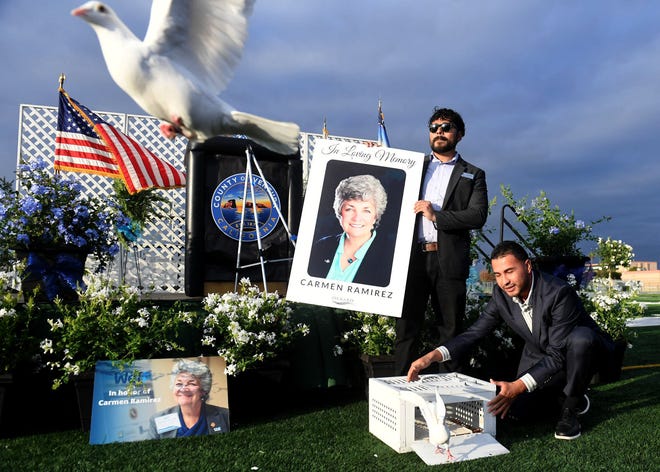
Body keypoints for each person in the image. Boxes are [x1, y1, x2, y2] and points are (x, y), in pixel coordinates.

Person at [407, 241, 615, 440]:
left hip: (579, 353)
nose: (504, 281)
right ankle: (563, 397)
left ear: (527, 266)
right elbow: (475, 332)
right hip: (540, 354)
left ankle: (570, 407)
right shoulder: (501, 294)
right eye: (497, 274)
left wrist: (518, 385)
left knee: (581, 338)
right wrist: (434, 355)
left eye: (509, 271)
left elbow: (558, 354)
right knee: (516, 413)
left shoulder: (559, 293)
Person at [394, 107, 488, 374]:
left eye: (446, 127)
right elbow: (384, 178)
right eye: (433, 127)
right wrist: (373, 155)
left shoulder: (473, 173)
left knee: (450, 328)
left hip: (449, 261)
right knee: (406, 328)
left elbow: (477, 215)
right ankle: (399, 389)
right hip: (412, 259)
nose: (439, 132)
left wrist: (437, 216)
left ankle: (450, 394)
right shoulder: (413, 167)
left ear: (459, 134)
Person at [308, 174, 394, 286]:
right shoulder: (321, 246)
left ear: (376, 216)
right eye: (349, 209)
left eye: (366, 210)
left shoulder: (389, 255)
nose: (357, 218)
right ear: (340, 212)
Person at [149, 359, 230, 439]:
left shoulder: (225, 416)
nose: (183, 389)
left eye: (191, 383)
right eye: (179, 384)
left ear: (203, 390)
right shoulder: (158, 420)